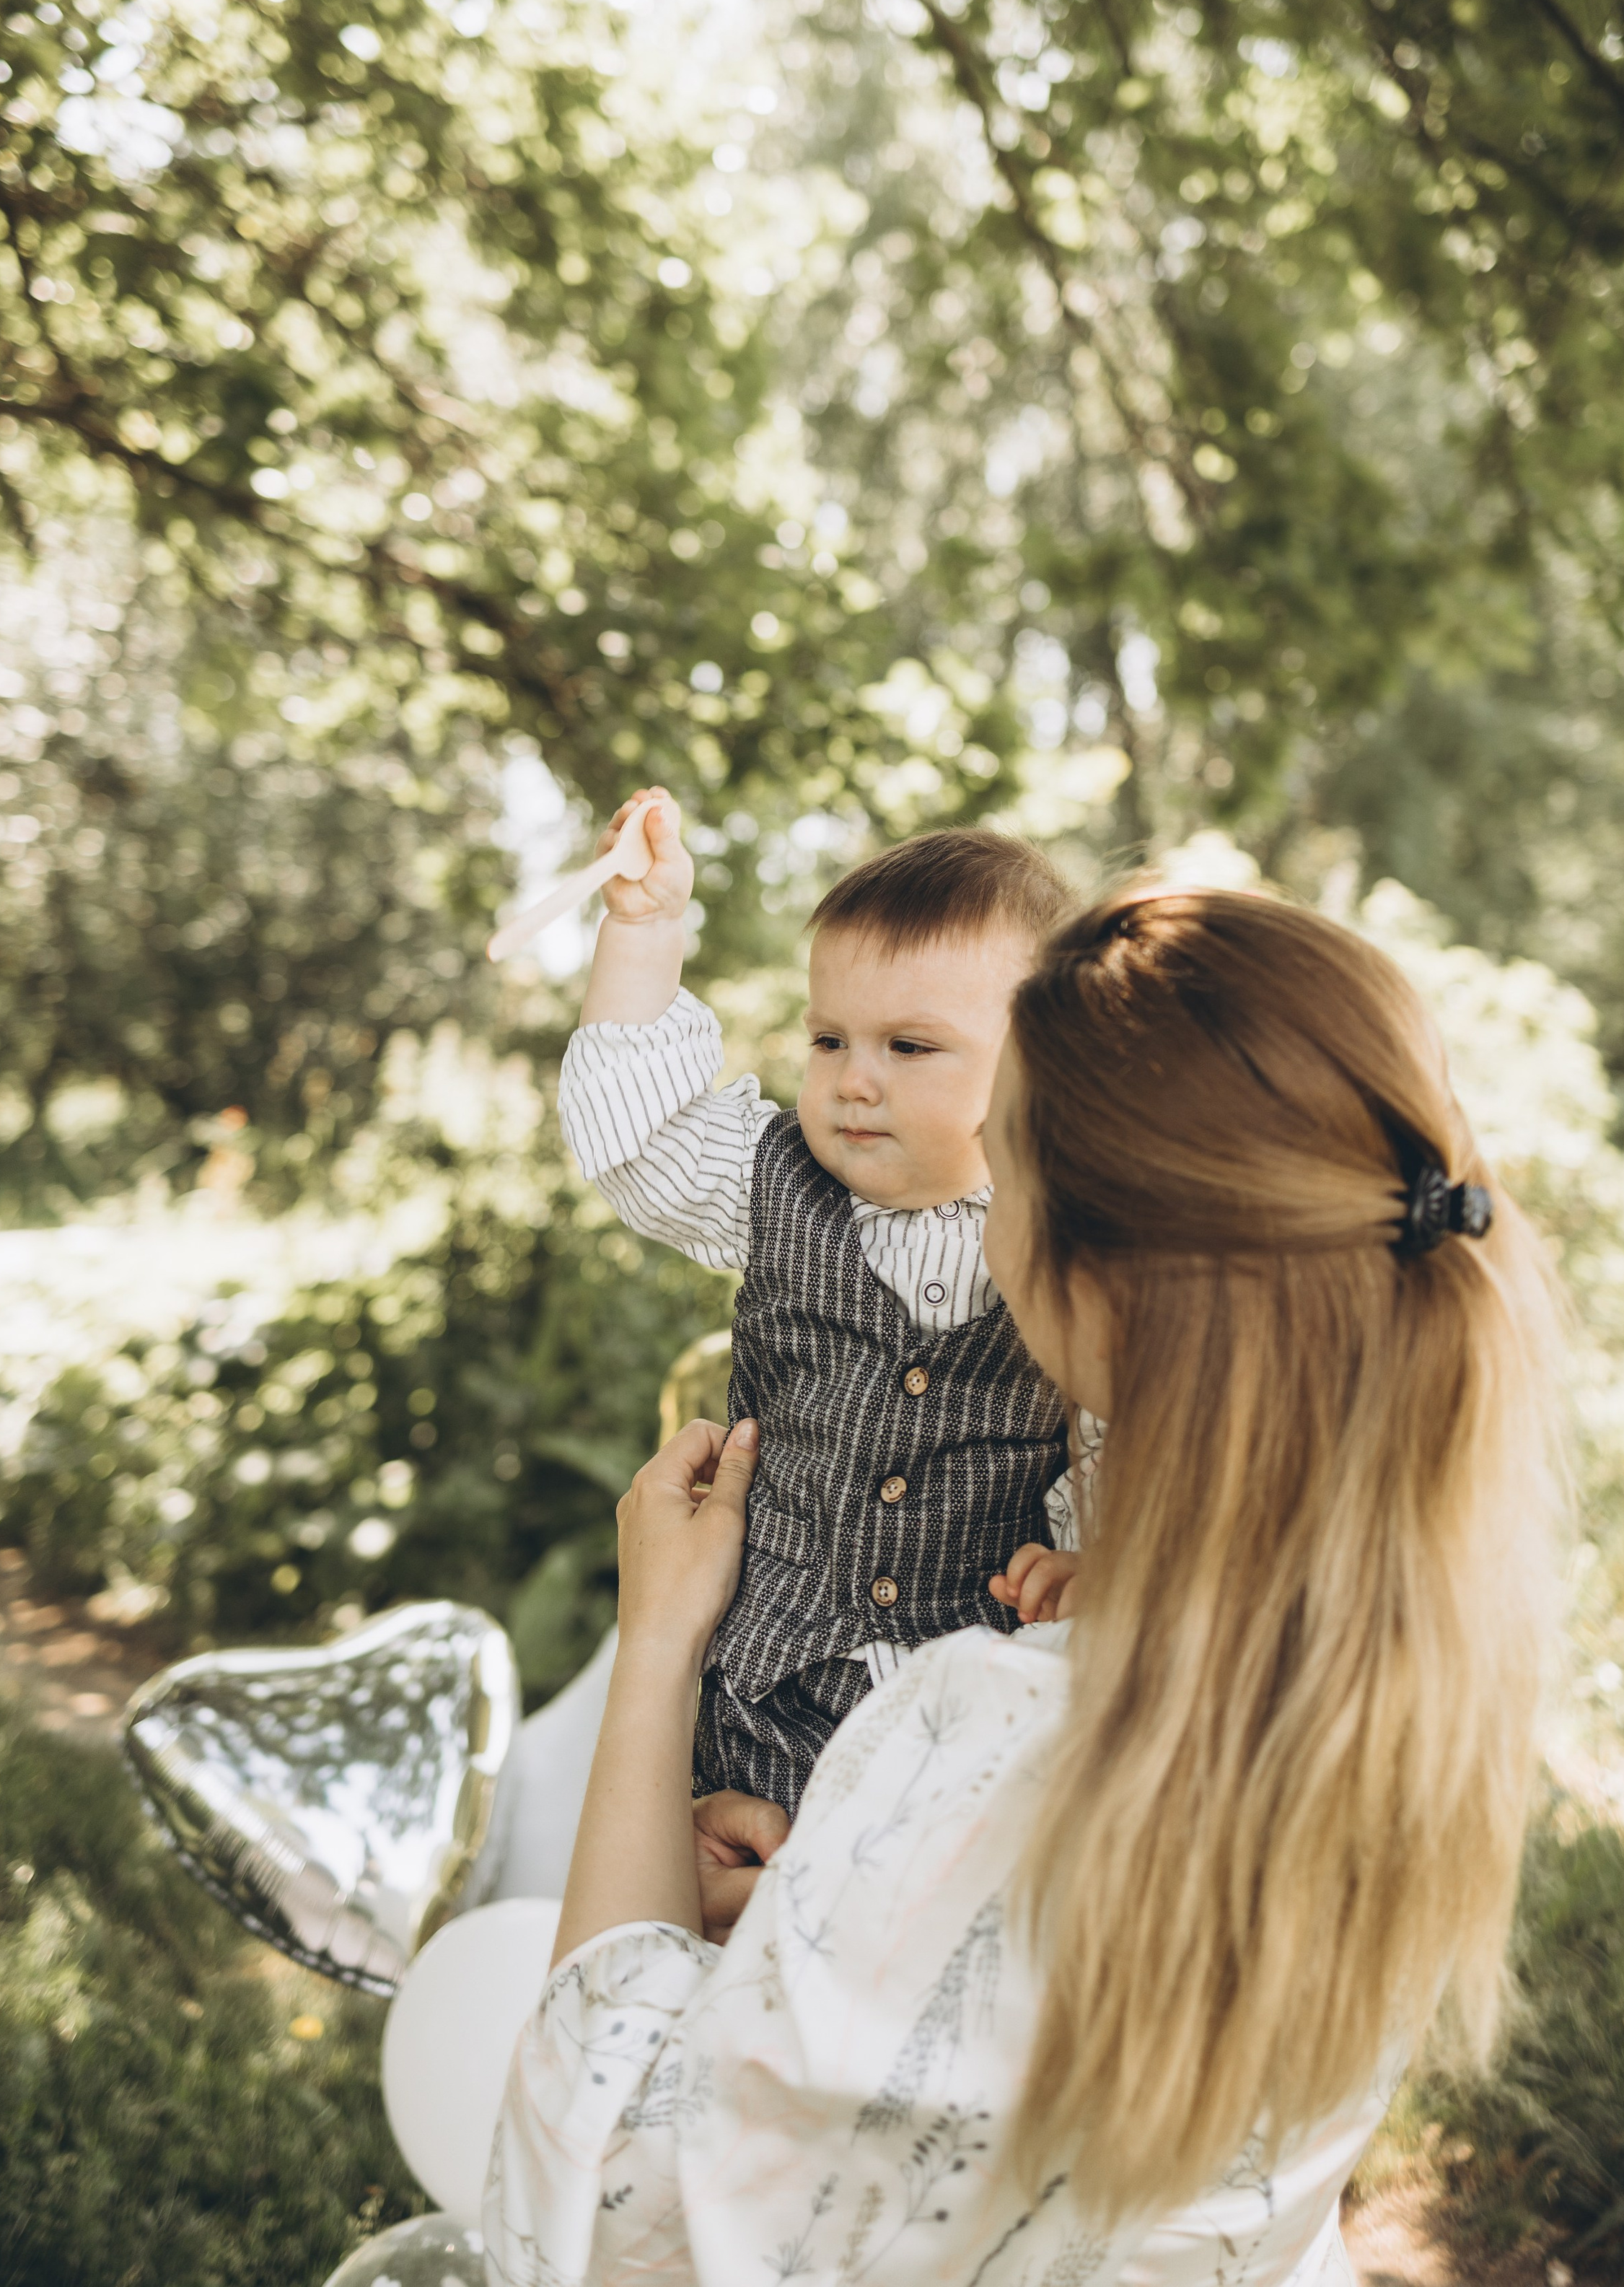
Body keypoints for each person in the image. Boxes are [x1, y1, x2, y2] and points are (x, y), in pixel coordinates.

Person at [482, 882, 1563, 2287]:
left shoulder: (981, 1725)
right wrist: (828, 1919)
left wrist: (657, 1648)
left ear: (1087, 1275)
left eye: (1008, 1157)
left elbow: (604, 2205)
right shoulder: (1399, 1694)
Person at [556, 792, 1096, 1816]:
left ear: (1044, 1066)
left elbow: (1152, 1436)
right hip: (772, 1698)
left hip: (983, 1725)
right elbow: (639, 1134)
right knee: (734, 1914)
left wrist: (1102, 1566)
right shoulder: (779, 1185)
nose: (854, 1081)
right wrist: (644, 930)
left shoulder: (1085, 1247)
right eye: (829, 1041)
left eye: (909, 1048)